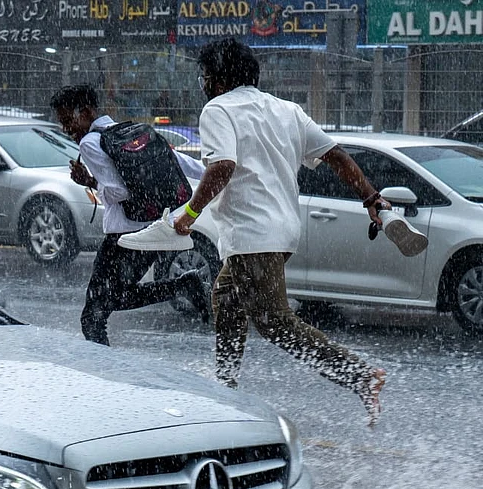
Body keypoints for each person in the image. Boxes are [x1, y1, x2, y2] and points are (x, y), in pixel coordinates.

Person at [118, 38, 398, 426]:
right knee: (227, 298)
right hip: (282, 230)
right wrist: (370, 197)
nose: (202, 83)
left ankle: (360, 377)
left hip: (254, 235)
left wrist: (189, 214)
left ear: (216, 77)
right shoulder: (286, 110)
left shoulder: (218, 109)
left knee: (274, 321)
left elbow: (222, 167)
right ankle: (225, 382)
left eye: (203, 76)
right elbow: (335, 154)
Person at [51, 84, 210, 346]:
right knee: (113, 299)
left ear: (87, 111)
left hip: (124, 236)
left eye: (69, 120)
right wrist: (219, 176)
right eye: (62, 124)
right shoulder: (131, 130)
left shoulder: (91, 142)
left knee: (93, 315)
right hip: (152, 229)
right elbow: (177, 161)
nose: (67, 129)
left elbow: (118, 191)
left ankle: (101, 375)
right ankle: (182, 286)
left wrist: (89, 182)